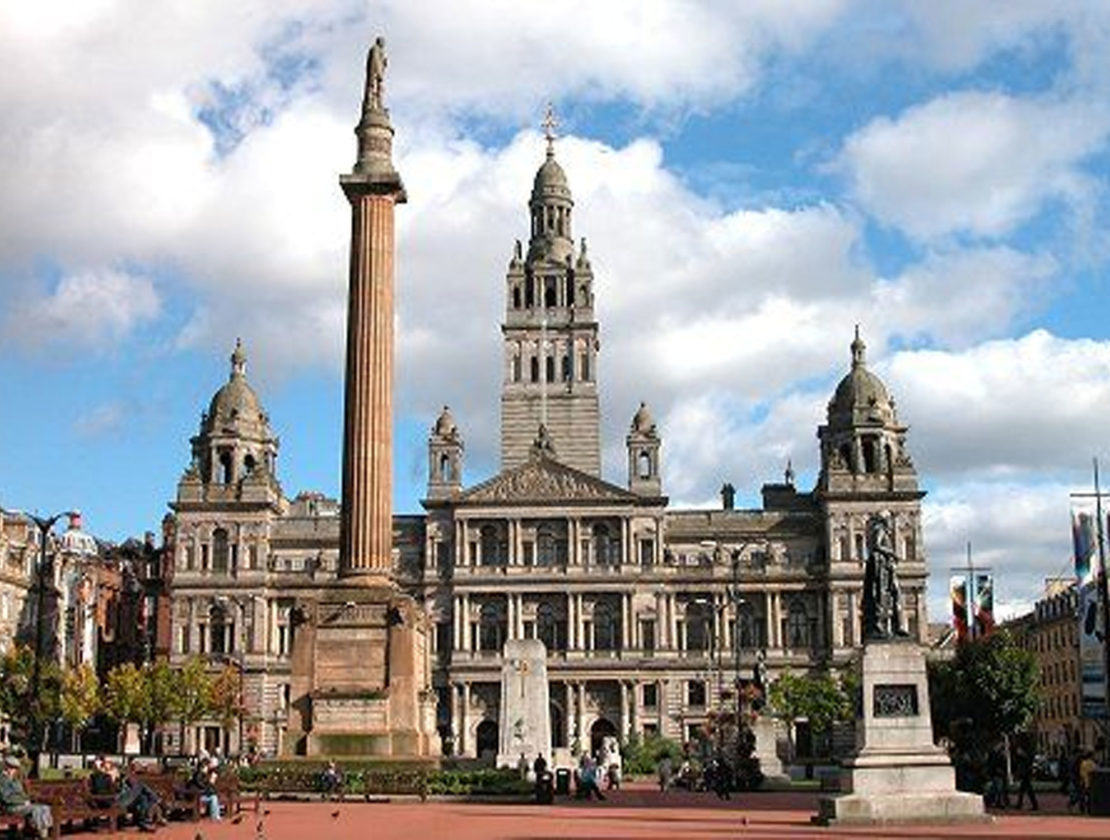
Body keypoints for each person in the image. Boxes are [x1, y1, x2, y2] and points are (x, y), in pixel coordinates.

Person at [0, 756, 52, 839]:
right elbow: (6, 798)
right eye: (11, 767)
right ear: (6, 767)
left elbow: (22, 794)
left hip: (21, 806)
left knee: (45, 808)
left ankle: (42, 833)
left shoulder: (15, 780)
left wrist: (27, 799)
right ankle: (41, 835)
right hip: (11, 807)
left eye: (15, 768)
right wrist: (22, 801)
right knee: (36, 809)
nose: (13, 770)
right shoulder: (3, 780)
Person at [118, 759, 165, 831]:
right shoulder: (122, 778)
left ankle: (144, 821)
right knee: (141, 787)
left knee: (143, 798)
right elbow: (122, 790)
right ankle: (155, 800)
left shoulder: (130, 778)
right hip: (122, 800)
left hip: (130, 799)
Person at [1012, 745, 1038, 811]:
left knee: (1027, 791)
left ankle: (1032, 804)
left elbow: (1024, 766)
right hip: (1025, 774)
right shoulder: (1024, 757)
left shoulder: (1025, 757)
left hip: (1025, 775)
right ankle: (1021, 804)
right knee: (1025, 790)